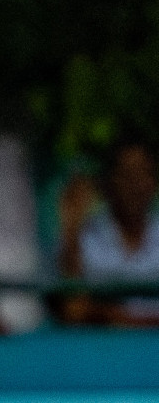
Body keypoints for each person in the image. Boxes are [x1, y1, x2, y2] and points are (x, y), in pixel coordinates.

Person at [58, 136, 159, 325]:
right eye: (127, 175)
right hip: (102, 350)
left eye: (143, 174)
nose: (135, 185)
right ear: (107, 183)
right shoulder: (83, 238)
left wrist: (118, 317)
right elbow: (73, 311)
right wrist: (70, 233)